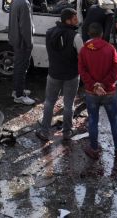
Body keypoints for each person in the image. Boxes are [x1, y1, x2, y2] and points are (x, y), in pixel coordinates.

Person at [78, 22, 117, 160]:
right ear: (101, 34)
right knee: (114, 121)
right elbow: (116, 68)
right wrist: (104, 85)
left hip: (91, 93)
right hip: (109, 92)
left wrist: (95, 86)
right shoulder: (110, 49)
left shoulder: (84, 50)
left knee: (93, 120)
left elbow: (82, 70)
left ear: (89, 34)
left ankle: (93, 149)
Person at [37, 9, 83, 143]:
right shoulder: (76, 37)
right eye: (75, 19)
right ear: (68, 20)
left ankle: (44, 132)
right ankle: (67, 132)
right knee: (68, 103)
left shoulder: (49, 33)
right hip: (71, 75)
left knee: (49, 101)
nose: (77, 21)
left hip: (53, 73)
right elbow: (82, 56)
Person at [8, 0, 35, 105]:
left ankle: (17, 90)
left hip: (15, 38)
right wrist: (29, 43)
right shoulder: (24, 3)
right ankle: (19, 95)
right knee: (21, 68)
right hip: (23, 42)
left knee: (18, 66)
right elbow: (26, 27)